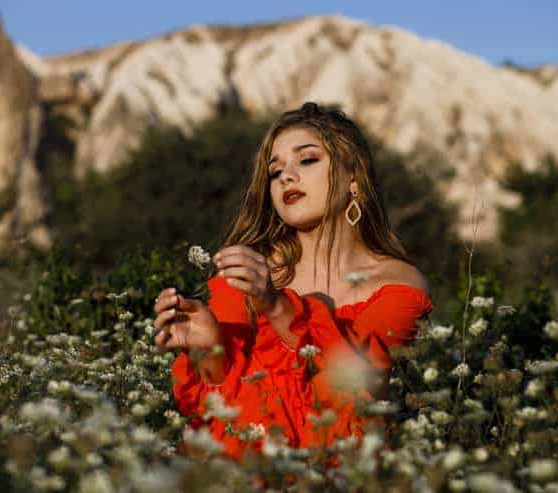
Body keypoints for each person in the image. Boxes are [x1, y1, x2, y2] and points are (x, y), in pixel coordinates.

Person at [152, 102, 433, 461]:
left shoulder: (399, 285)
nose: (286, 176)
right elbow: (220, 411)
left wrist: (278, 307)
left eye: (308, 160)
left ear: (354, 179)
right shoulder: (246, 273)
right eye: (275, 171)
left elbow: (358, 396)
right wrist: (208, 349)